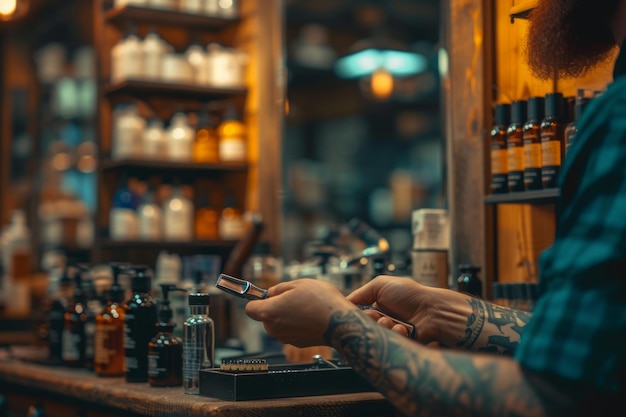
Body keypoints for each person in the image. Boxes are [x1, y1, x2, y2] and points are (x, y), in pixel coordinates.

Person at [246, 0, 626, 415]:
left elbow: (549, 400)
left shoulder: (618, 120)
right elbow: (599, 356)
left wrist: (339, 325)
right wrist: (446, 312)